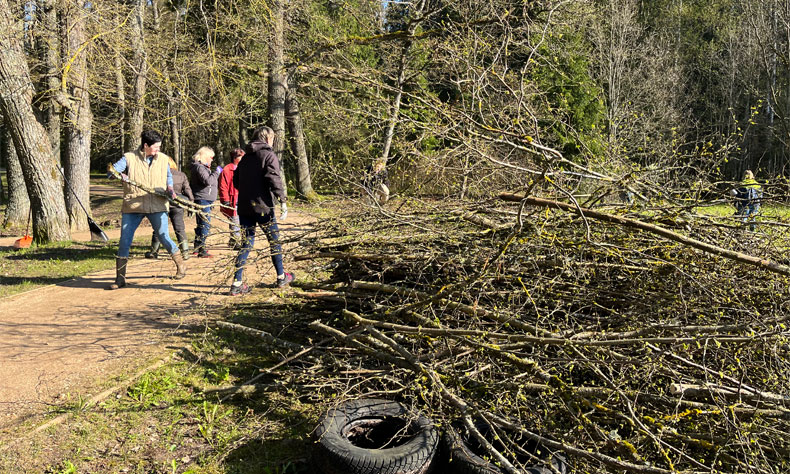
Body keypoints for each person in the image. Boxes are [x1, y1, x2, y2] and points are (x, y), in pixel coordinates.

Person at [106, 130, 186, 290]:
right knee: (125, 240)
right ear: (145, 145)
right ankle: (120, 278)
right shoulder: (129, 157)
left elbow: (168, 176)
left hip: (157, 204)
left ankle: (181, 265)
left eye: (159, 147)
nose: (158, 150)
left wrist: (170, 188)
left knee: (163, 236)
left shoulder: (163, 159)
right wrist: (118, 175)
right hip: (133, 206)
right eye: (156, 147)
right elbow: (111, 172)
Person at [229, 125, 294, 296]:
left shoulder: (244, 158)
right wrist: (282, 200)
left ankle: (236, 283)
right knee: (274, 241)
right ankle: (281, 277)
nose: (273, 142)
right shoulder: (268, 155)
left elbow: (236, 182)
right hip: (263, 207)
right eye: (272, 138)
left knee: (246, 243)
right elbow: (274, 178)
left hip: (245, 207)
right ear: (267, 138)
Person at [144, 157, 194, 260]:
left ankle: (154, 252)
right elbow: (188, 191)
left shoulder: (158, 174)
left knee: (158, 228)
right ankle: (185, 252)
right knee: (180, 228)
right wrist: (191, 204)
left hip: (162, 204)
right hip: (177, 204)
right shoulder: (181, 175)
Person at [189, 146, 222, 258]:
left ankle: (197, 246)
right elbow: (208, 181)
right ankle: (202, 249)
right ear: (205, 156)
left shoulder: (202, 167)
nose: (212, 160)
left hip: (205, 199)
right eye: (211, 157)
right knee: (205, 224)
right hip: (202, 199)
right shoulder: (199, 167)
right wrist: (216, 172)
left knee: (201, 224)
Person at [218, 148, 245, 250]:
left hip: (244, 200)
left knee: (244, 222)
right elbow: (223, 186)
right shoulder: (227, 169)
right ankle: (235, 242)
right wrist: (225, 199)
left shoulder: (245, 168)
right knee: (235, 221)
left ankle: (240, 241)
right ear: (235, 157)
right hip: (233, 200)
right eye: (241, 156)